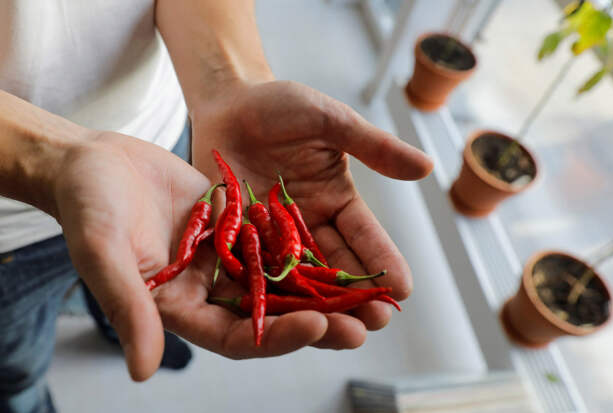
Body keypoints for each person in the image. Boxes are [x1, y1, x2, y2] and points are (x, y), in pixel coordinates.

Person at [0, 1, 433, 412]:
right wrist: (49, 158)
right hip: (10, 223)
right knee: (17, 365)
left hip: (160, 154)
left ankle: (116, 325)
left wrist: (229, 85)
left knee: (143, 277)